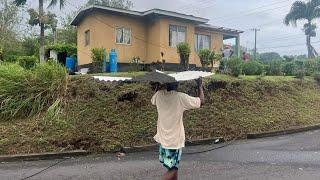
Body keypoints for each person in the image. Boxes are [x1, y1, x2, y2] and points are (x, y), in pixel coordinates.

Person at [151, 78, 205, 180]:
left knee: (173, 167)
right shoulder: (180, 97)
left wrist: (158, 86)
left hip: (163, 139)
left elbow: (153, 100)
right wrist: (200, 86)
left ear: (166, 84)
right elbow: (201, 101)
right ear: (177, 84)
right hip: (174, 141)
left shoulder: (158, 95)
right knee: (173, 169)